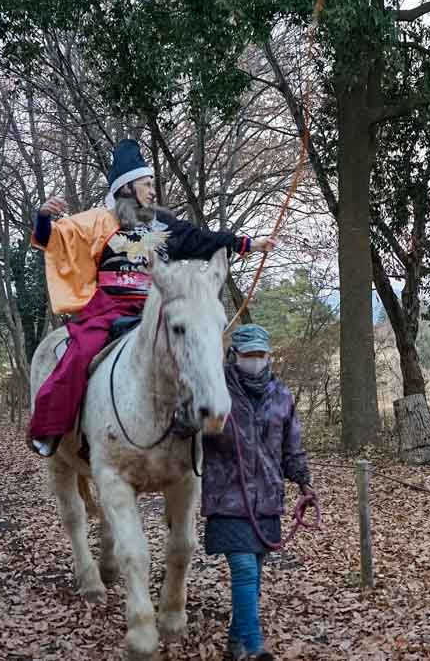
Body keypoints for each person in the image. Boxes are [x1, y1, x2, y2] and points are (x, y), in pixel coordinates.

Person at [28, 139, 276, 457]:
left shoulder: (164, 224)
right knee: (79, 354)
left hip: (155, 307)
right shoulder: (96, 222)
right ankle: (55, 428)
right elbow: (54, 239)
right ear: (128, 186)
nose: (152, 190)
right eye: (146, 184)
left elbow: (200, 239)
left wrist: (248, 244)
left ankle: (193, 425)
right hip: (109, 309)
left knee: (191, 349)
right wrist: (43, 218)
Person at [201, 324, 314, 661]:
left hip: (267, 500)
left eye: (260, 354)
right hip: (227, 499)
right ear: (233, 355)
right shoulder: (213, 389)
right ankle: (254, 648)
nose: (254, 360)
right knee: (245, 571)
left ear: (269, 356)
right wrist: (200, 419)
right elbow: (184, 429)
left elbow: (291, 448)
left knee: (253, 576)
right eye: (248, 354)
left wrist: (304, 482)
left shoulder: (281, 394)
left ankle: (235, 645)